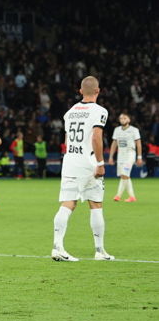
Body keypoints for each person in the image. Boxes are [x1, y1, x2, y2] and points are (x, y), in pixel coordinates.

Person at [51, 76, 114, 262]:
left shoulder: (70, 112)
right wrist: (100, 164)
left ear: (80, 91)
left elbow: (66, 140)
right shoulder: (100, 111)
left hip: (70, 160)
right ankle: (99, 250)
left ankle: (57, 247)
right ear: (98, 91)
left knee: (67, 203)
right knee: (95, 204)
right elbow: (96, 137)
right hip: (88, 163)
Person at [108, 113, 142, 202]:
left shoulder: (134, 130)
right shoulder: (117, 130)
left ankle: (118, 195)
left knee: (125, 174)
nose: (122, 119)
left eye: (124, 118)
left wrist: (139, 157)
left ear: (129, 120)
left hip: (130, 153)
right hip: (121, 154)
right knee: (124, 176)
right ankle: (132, 197)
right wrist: (111, 156)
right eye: (121, 118)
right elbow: (114, 144)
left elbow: (138, 144)